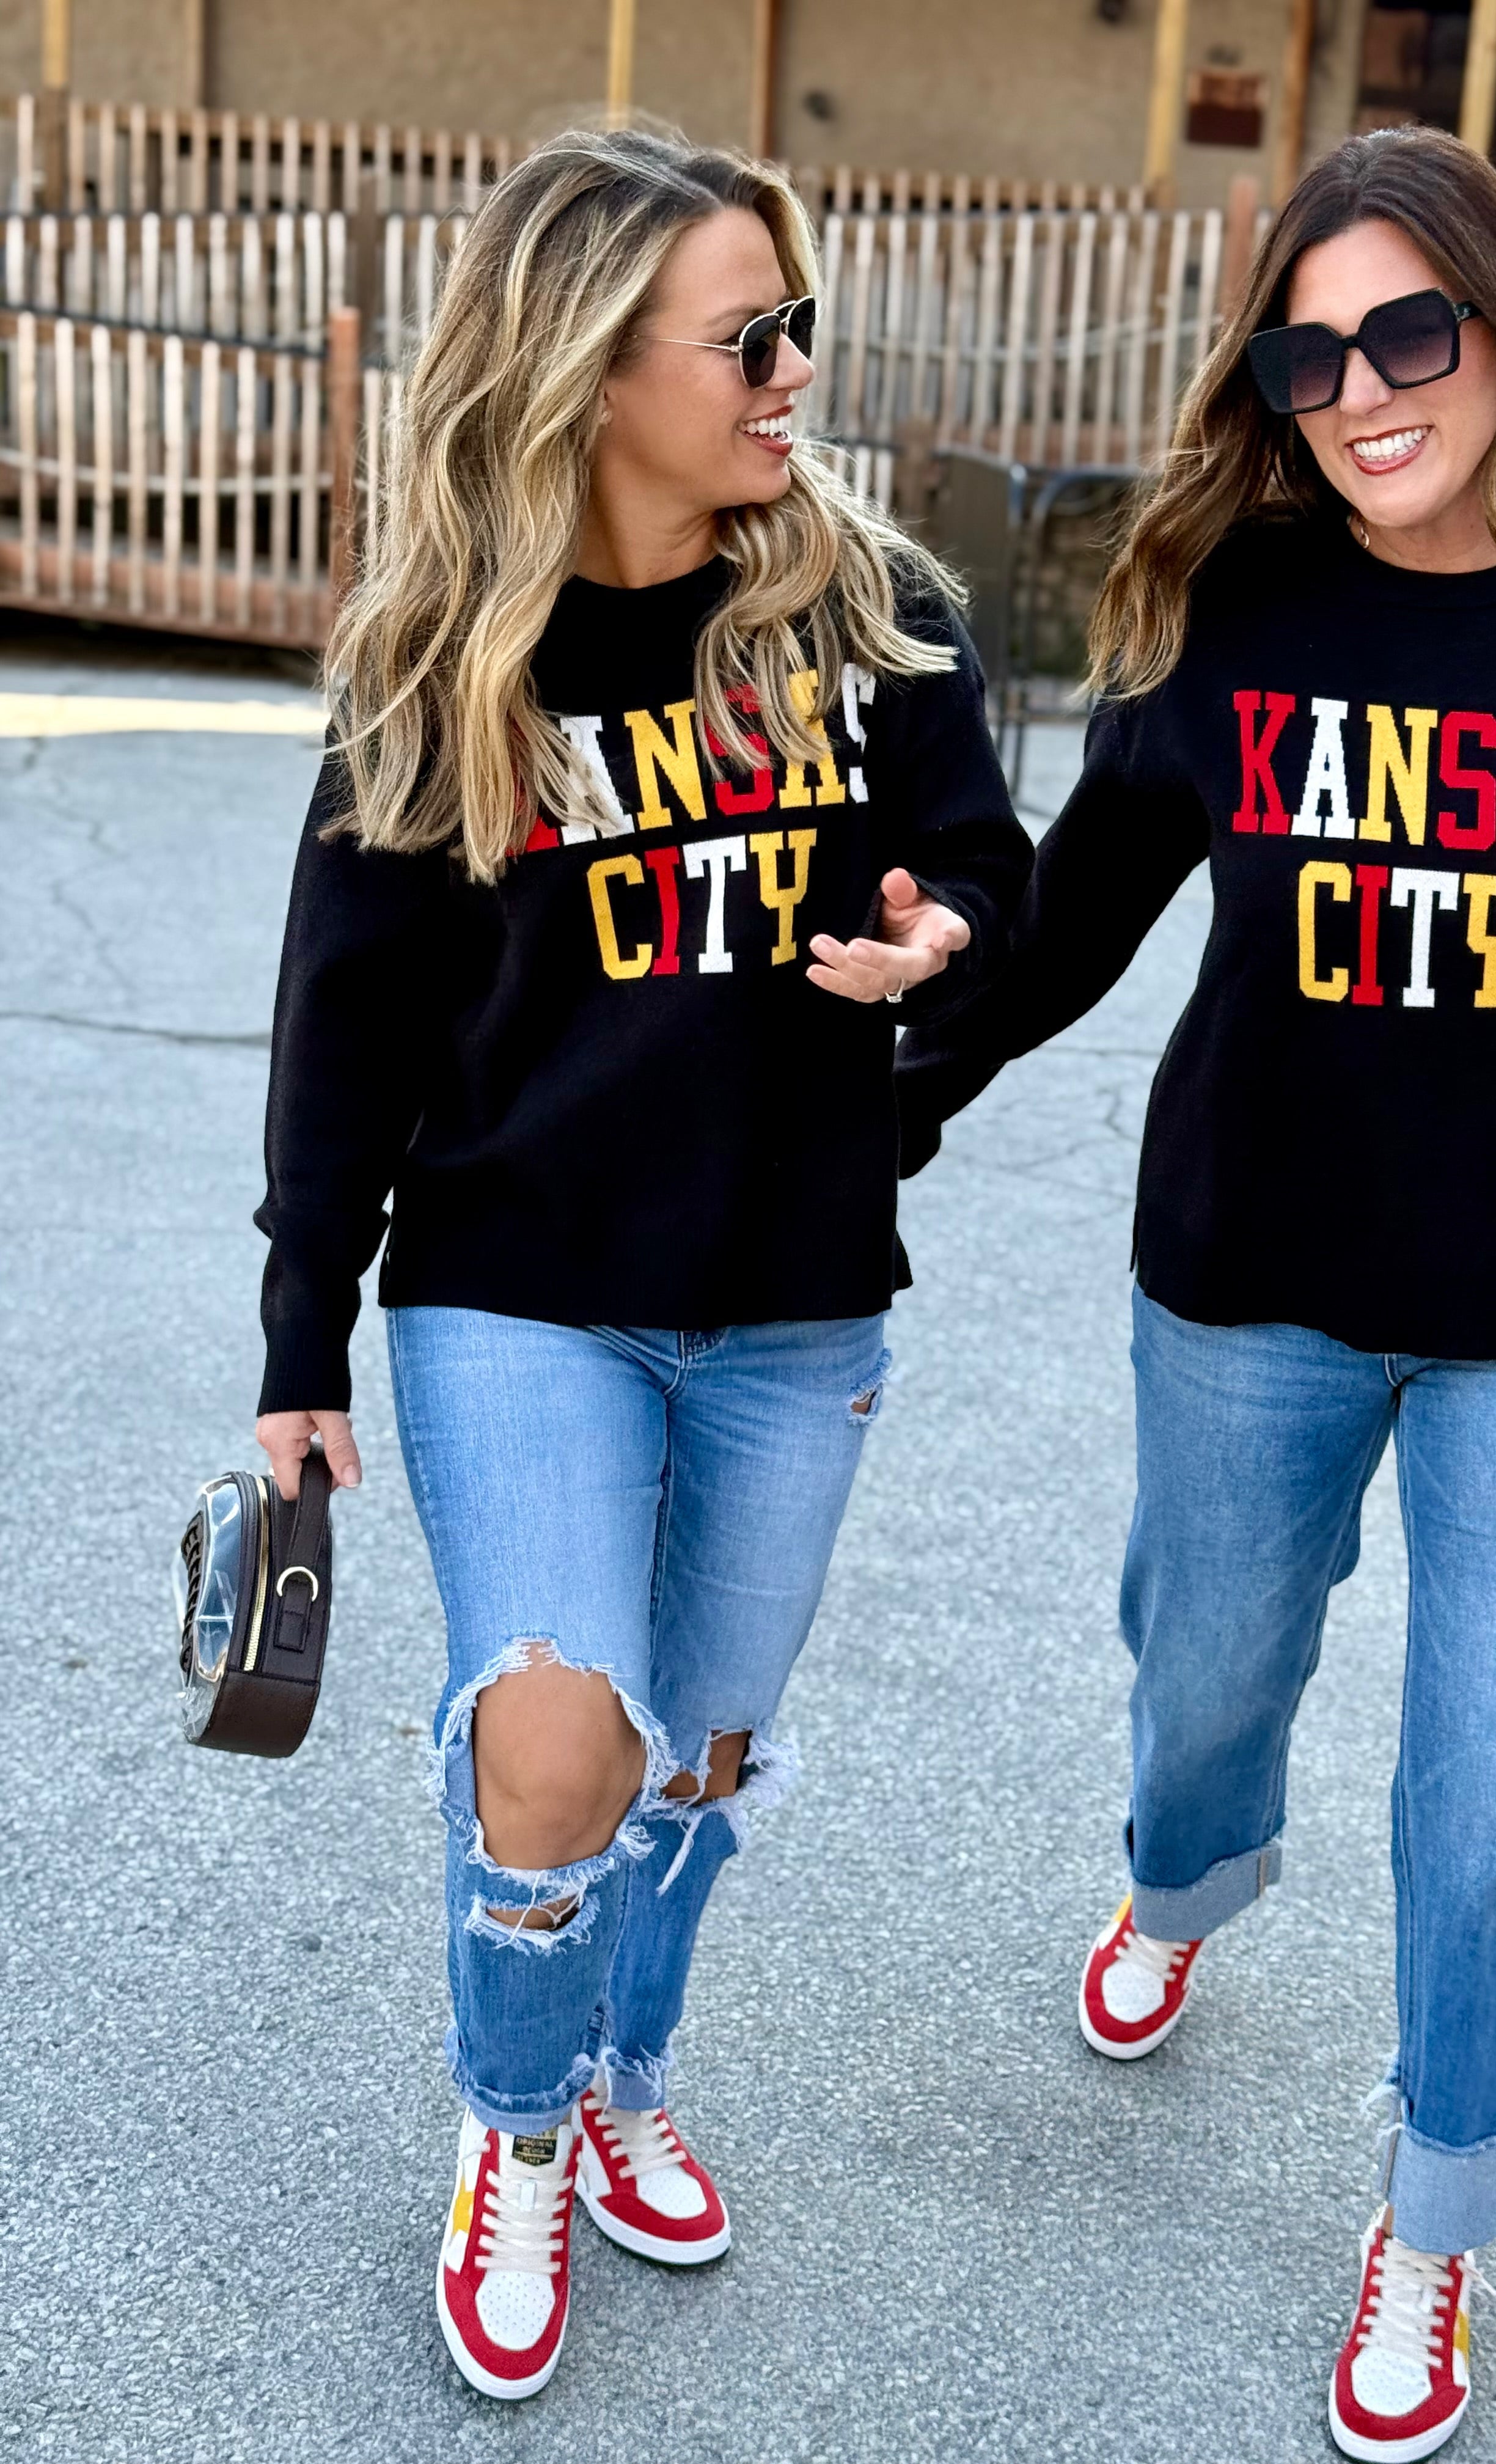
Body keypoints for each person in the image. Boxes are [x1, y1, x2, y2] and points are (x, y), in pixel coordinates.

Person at [895, 126, 1496, 2460]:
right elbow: (1082, 915)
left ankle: (1436, 2210)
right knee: (1206, 1674)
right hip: (1251, 1280)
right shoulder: (1246, 602)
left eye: (1407, 331)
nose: (1361, 390)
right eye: (1307, 359)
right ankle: (1182, 1881)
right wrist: (902, 1063)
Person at [252, 128, 1030, 2402]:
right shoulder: (443, 661)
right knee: (557, 1744)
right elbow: (346, 1027)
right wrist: (303, 1337)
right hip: (517, 1289)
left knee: (696, 1757)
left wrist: (945, 943)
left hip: (798, 1300)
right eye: (748, 337)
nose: (796, 372)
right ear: (596, 371)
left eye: (802, 326)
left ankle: (618, 2071)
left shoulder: (871, 617)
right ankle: (511, 2131)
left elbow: (993, 868)